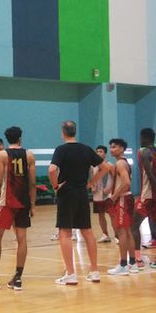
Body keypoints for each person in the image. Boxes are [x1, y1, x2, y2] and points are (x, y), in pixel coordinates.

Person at [47, 121, 108, 285]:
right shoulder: (86, 149)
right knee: (87, 231)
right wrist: (92, 182)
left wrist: (55, 186)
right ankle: (94, 271)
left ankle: (71, 273)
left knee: (65, 232)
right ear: (75, 131)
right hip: (82, 193)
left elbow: (52, 170)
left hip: (66, 193)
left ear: (63, 132)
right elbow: (105, 167)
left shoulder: (61, 149)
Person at [0, 126, 36, 291]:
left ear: (7, 139)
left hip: (6, 202)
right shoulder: (29, 155)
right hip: (23, 202)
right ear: (20, 137)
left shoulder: (2, 155)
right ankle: (18, 278)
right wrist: (32, 204)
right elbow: (32, 183)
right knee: (22, 239)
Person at [133, 128, 156, 271]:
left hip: (148, 194)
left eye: (141, 138)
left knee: (134, 226)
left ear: (145, 138)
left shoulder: (144, 152)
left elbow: (149, 174)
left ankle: (138, 260)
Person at [106, 138, 136, 276]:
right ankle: (133, 263)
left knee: (122, 232)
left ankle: (123, 264)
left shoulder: (120, 163)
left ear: (122, 149)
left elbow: (126, 183)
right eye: (111, 147)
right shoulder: (122, 162)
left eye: (115, 147)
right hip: (126, 198)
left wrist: (114, 196)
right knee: (128, 231)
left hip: (123, 199)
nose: (112, 149)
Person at [91, 145, 114, 243]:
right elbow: (92, 178)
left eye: (100, 151)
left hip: (108, 195)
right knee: (101, 215)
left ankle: (117, 235)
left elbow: (115, 178)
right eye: (97, 152)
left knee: (112, 215)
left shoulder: (109, 165)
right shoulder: (93, 166)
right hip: (97, 194)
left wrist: (110, 188)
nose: (98, 153)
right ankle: (105, 235)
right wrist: (92, 186)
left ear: (105, 154)